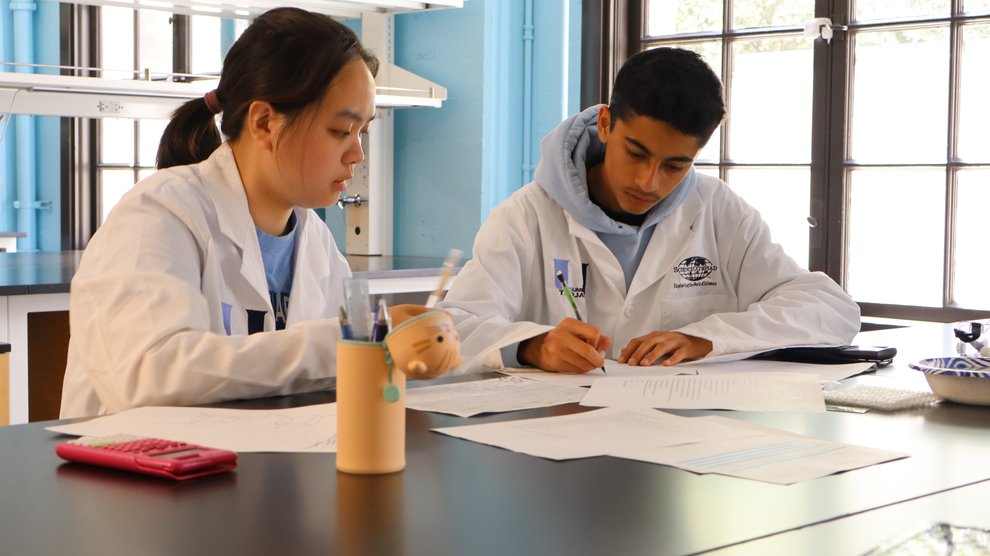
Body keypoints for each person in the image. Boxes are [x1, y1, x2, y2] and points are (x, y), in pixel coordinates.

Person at [60, 7, 425, 418]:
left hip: (257, 466)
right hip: (135, 471)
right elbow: (149, 378)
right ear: (265, 122)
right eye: (341, 130)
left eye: (363, 132)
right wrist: (347, 343)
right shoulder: (160, 213)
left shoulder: (316, 243)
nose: (357, 154)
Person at [439, 47, 860, 374]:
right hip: (561, 437)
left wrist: (708, 339)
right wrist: (532, 346)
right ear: (605, 124)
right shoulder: (526, 216)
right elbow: (452, 326)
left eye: (675, 165)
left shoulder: (718, 210)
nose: (649, 182)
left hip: (681, 441)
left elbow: (830, 308)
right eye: (636, 153)